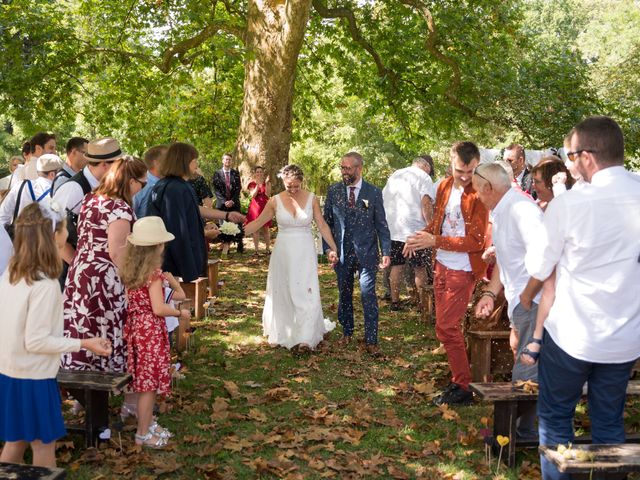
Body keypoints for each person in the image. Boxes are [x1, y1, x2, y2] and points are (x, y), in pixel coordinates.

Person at [525, 116, 640, 480]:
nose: (569, 164)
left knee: (556, 421)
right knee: (609, 424)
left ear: (587, 156)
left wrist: (528, 296)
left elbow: (541, 266)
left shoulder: (571, 204)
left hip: (572, 335)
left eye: (570, 156)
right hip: (624, 336)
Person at [0, 203, 111, 468]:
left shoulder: (12, 274)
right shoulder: (45, 283)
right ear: (52, 236)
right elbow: (37, 340)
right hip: (34, 378)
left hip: (10, 373)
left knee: (15, 443)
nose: (67, 232)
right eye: (63, 227)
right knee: (42, 445)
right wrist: (85, 343)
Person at [405, 141, 489, 405]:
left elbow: (476, 242)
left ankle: (462, 386)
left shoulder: (480, 193)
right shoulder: (442, 186)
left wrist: (434, 241)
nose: (465, 177)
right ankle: (459, 379)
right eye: (459, 171)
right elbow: (439, 222)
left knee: (447, 327)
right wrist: (423, 235)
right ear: (450, 162)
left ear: (477, 165)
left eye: (470, 171)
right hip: (441, 264)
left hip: (462, 269)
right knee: (445, 329)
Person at [472, 162, 544, 439]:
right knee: (521, 359)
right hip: (520, 303)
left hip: (535, 303)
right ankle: (523, 429)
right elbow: (506, 259)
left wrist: (527, 297)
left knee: (527, 370)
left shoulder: (521, 210)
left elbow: (545, 256)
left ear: (489, 188)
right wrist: (491, 293)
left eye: (478, 190)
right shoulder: (502, 210)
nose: (476, 196)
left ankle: (516, 434)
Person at [62, 155, 147, 374]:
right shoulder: (119, 208)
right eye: (142, 183)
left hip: (80, 271)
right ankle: (98, 383)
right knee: (101, 327)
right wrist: (133, 280)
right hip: (103, 278)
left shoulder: (91, 199)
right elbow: (117, 251)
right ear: (130, 182)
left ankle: (80, 387)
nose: (142, 188)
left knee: (82, 326)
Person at [245, 165, 338, 351]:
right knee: (285, 288)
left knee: (305, 289)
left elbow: (322, 225)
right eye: (289, 186)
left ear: (301, 181)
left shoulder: (312, 199)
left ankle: (305, 336)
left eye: (296, 186)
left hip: (304, 250)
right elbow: (257, 222)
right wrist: (234, 232)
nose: (293, 190)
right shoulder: (274, 201)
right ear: (283, 182)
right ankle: (285, 329)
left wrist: (333, 247)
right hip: (283, 251)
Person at [120, 216, 190, 448]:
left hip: (136, 329)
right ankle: (142, 433)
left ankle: (147, 423)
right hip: (149, 331)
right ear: (159, 246)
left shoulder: (133, 272)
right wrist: (180, 315)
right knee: (147, 386)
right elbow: (159, 308)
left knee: (144, 383)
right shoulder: (154, 275)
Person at [323, 152, 391, 357]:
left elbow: (381, 225)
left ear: (359, 168)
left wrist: (385, 251)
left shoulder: (374, 192)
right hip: (342, 254)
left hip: (367, 253)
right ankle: (347, 331)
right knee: (344, 294)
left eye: (348, 168)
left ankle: (371, 339)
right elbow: (327, 224)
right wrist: (328, 249)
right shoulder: (334, 191)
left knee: (367, 294)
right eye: (342, 168)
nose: (344, 172)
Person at [53, 137, 122, 288]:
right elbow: (55, 236)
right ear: (104, 165)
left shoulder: (107, 187)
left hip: (97, 278)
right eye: (118, 164)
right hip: (71, 278)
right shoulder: (73, 189)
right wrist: (81, 269)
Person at [382, 156, 434, 313]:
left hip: (394, 229)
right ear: (425, 167)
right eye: (429, 170)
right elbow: (426, 203)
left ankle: (395, 302)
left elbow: (384, 198)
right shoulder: (424, 177)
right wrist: (431, 226)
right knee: (419, 267)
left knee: (397, 265)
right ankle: (423, 304)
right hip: (416, 230)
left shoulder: (395, 175)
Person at [0, 154, 64, 228]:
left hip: (18, 237)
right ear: (52, 174)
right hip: (44, 238)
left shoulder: (20, 185)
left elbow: (3, 216)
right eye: (61, 173)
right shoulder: (56, 193)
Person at [212, 152, 244, 255]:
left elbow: (239, 188)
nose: (227, 161)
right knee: (223, 225)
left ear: (231, 161)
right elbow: (216, 189)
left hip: (234, 203)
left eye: (229, 159)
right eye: (226, 159)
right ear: (222, 160)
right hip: (222, 205)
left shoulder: (235, 173)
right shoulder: (217, 173)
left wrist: (232, 201)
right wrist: (224, 201)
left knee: (238, 224)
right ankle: (226, 247)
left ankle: (239, 244)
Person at [134, 145, 167, 219]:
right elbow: (131, 214)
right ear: (156, 163)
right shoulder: (140, 185)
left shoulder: (169, 184)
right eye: (167, 159)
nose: (171, 163)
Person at [245, 166, 271, 254]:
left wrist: (266, 184)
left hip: (265, 208)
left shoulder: (267, 183)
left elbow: (268, 194)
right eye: (257, 172)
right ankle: (256, 250)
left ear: (263, 173)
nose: (259, 173)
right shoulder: (252, 184)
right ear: (255, 173)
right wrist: (258, 185)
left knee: (266, 229)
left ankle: (267, 249)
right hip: (255, 208)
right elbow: (252, 195)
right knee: (255, 229)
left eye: (261, 172)